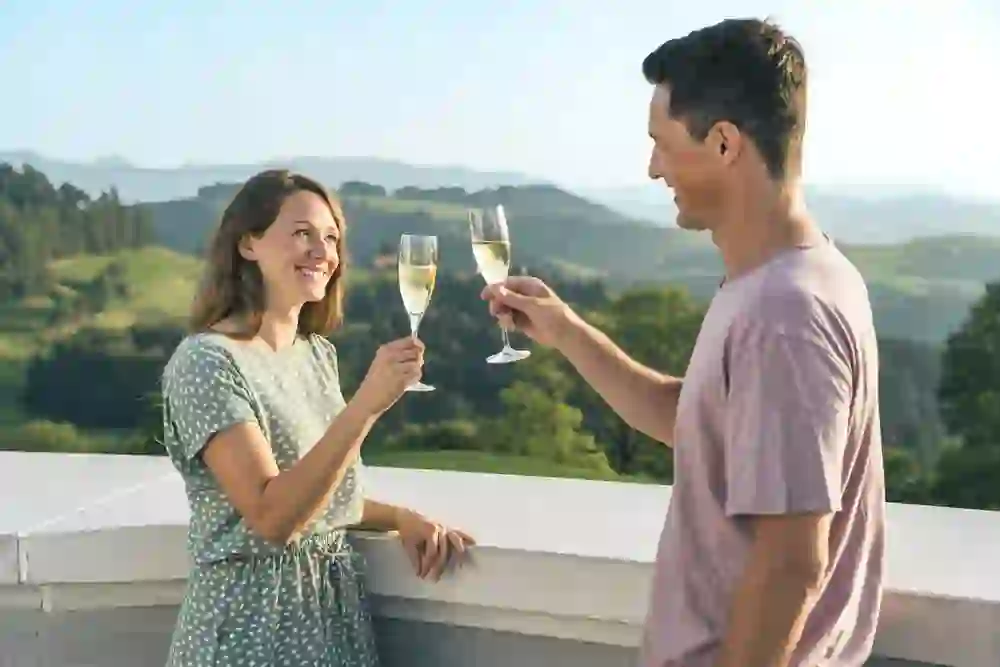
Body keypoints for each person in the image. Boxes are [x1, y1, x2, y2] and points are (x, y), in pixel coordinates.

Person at [483, 18, 885, 667]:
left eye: (661, 143)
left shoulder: (784, 311)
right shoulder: (787, 279)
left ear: (724, 143)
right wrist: (566, 331)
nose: (651, 168)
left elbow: (790, 560)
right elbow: (696, 421)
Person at [159, 169, 475, 667]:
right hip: (250, 629)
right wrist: (366, 406)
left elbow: (317, 491)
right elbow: (273, 517)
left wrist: (396, 517)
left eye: (331, 238)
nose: (322, 251)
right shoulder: (206, 362)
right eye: (302, 233)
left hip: (332, 621)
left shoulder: (315, 354)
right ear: (248, 244)